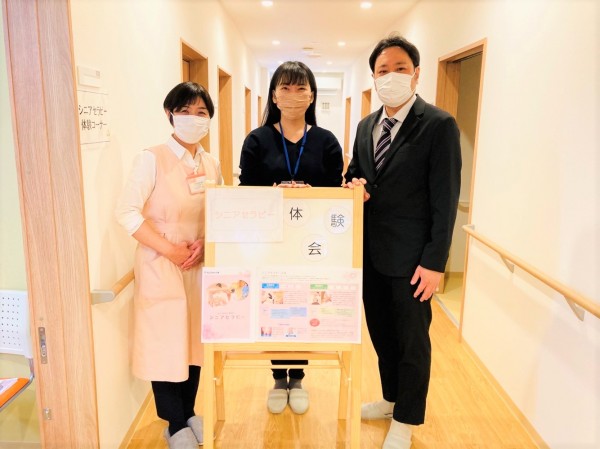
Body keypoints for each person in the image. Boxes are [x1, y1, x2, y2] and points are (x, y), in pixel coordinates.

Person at [345, 34, 461, 449]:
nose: (390, 76)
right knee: (382, 335)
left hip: (414, 262)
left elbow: (445, 200)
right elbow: (355, 174)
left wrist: (434, 262)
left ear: (416, 74)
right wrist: (354, 184)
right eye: (382, 70)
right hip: (370, 256)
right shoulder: (366, 126)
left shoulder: (438, 125)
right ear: (374, 78)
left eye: (399, 68)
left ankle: (406, 420)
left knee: (412, 342)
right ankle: (391, 399)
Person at [115, 81, 223, 449]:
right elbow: (126, 213)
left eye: (201, 112)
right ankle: (174, 423)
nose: (194, 118)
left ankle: (189, 412)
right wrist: (170, 250)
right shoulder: (151, 158)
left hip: (199, 265)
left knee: (193, 341)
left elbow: (219, 211)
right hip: (161, 264)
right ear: (169, 114)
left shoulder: (210, 163)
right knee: (165, 344)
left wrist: (205, 244)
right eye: (185, 111)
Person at [239, 61, 344, 415]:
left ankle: (297, 377)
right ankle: (277, 377)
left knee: (302, 307)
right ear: (274, 95)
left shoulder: (326, 141)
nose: (293, 95)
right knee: (274, 306)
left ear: (312, 95)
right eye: (285, 88)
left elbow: (335, 193)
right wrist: (273, 192)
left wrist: (311, 193)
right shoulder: (257, 140)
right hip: (269, 243)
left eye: (301, 88)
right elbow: (246, 191)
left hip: (312, 244)